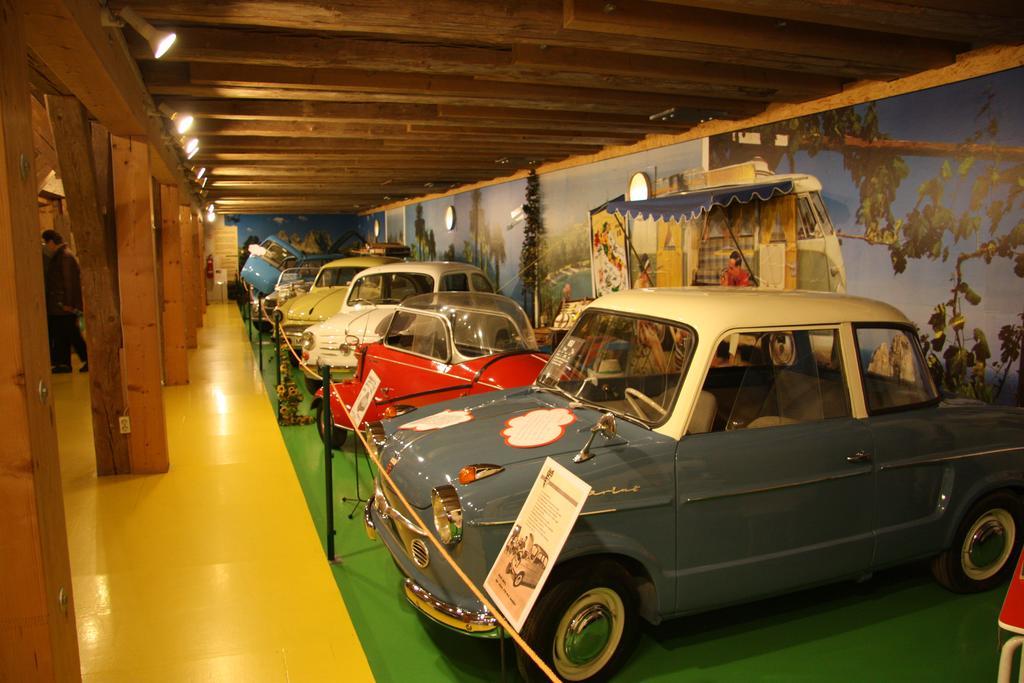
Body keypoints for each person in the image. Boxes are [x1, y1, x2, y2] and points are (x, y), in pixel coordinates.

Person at [42, 230, 88, 373]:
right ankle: (63, 363)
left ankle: (88, 358)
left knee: (72, 334)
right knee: (63, 334)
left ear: (51, 242)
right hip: (59, 305)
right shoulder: (60, 256)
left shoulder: (65, 257)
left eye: (46, 243)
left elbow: (70, 282)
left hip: (63, 305)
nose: (46, 247)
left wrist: (69, 303)